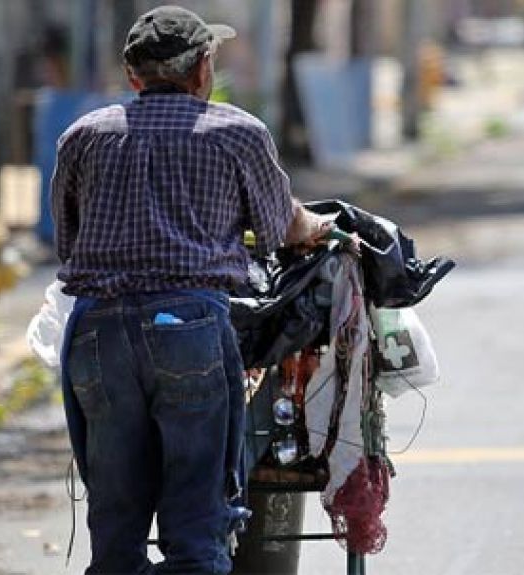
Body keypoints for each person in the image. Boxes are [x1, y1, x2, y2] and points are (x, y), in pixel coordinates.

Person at [50, 6, 328, 574]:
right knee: (197, 523)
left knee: (116, 523)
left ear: (134, 76)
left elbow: (68, 245)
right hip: (189, 331)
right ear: (203, 70)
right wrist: (315, 227)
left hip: (97, 332)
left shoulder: (83, 135)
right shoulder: (237, 132)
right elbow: (280, 231)